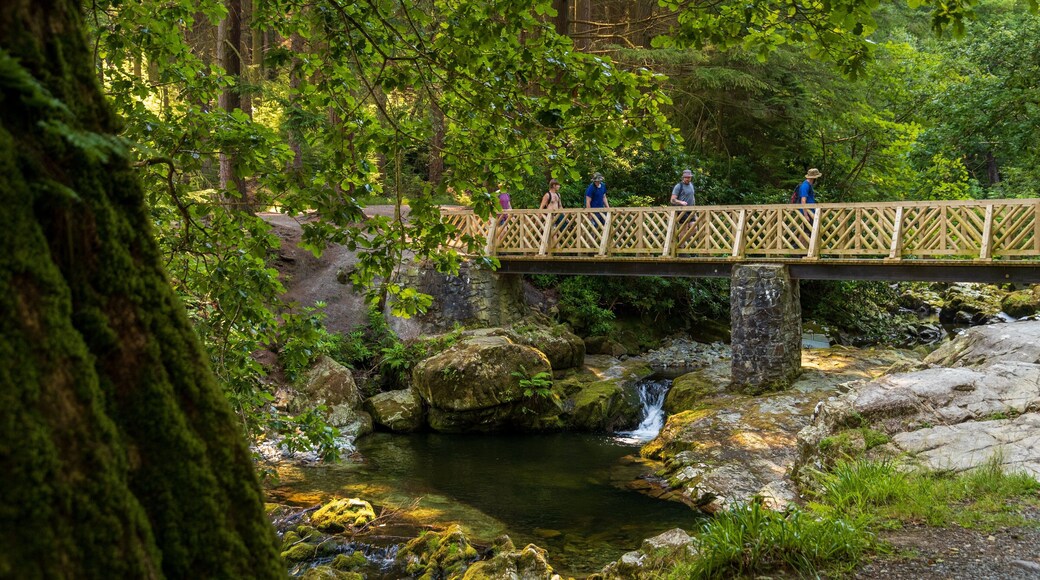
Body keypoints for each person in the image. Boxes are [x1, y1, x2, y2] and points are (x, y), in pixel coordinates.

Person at [670, 169, 697, 242]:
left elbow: (692, 197)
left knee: (694, 228)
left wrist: (694, 209)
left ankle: (680, 243)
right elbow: (672, 200)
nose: (688, 179)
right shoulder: (679, 186)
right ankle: (681, 249)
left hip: (690, 210)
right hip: (681, 210)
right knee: (684, 229)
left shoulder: (691, 185)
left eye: (689, 177)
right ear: (683, 177)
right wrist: (680, 202)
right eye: (686, 177)